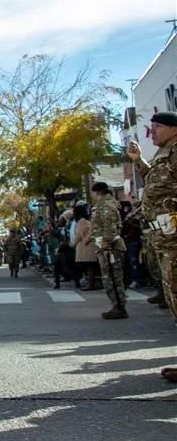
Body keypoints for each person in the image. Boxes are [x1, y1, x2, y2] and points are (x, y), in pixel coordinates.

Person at [127, 111, 177, 382]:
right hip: (165, 239)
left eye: (157, 127)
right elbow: (156, 182)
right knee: (173, 297)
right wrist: (138, 160)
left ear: (174, 129)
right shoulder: (163, 155)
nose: (152, 131)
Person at [88, 182, 127, 318]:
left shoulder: (106, 206)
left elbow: (109, 228)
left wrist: (106, 247)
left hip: (111, 248)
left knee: (113, 278)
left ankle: (119, 307)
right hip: (105, 246)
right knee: (109, 277)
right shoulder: (102, 205)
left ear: (97, 192)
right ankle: (117, 305)